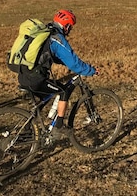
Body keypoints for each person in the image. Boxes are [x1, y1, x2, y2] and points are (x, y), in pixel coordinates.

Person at [18, 9, 99, 138]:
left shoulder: (45, 32)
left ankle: (27, 127)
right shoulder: (57, 38)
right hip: (35, 78)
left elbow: (49, 55)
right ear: (66, 26)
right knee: (63, 91)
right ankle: (59, 126)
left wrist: (63, 62)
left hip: (23, 74)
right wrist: (90, 70)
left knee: (46, 95)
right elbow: (75, 64)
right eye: (70, 27)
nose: (70, 30)